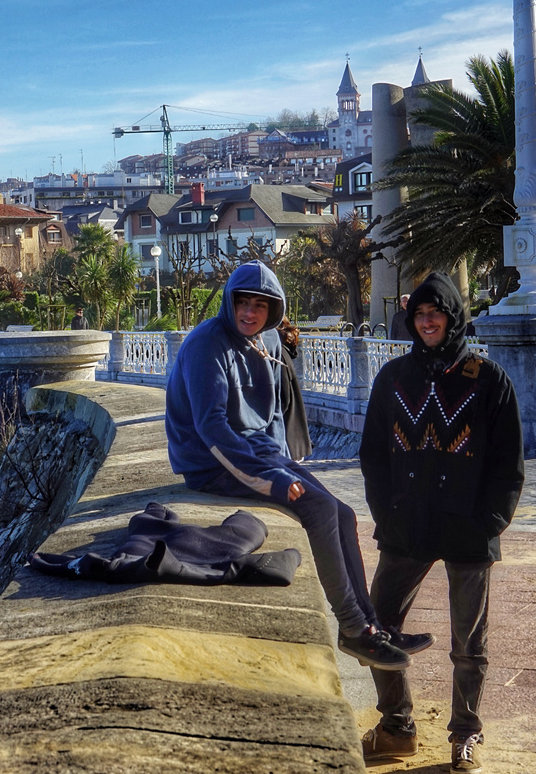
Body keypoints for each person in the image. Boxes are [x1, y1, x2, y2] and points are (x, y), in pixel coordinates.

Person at [165, 262, 425, 673]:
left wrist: (284, 463)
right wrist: (271, 481)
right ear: (229, 302)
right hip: (211, 463)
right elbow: (211, 429)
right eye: (242, 303)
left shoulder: (262, 340)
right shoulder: (205, 345)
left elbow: (268, 419)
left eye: (261, 306)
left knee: (342, 512)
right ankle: (354, 629)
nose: (250, 313)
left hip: (259, 453)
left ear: (274, 310)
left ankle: (374, 624)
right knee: (317, 510)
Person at [359, 272, 523, 774]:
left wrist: (490, 523)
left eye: (437, 314)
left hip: (468, 530)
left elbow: (508, 463)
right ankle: (397, 726)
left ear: (454, 318)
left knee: (468, 644)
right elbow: (373, 457)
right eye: (420, 316)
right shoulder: (393, 378)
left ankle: (465, 735)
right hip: (407, 526)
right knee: (375, 627)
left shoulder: (487, 379)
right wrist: (387, 514)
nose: (428, 323)